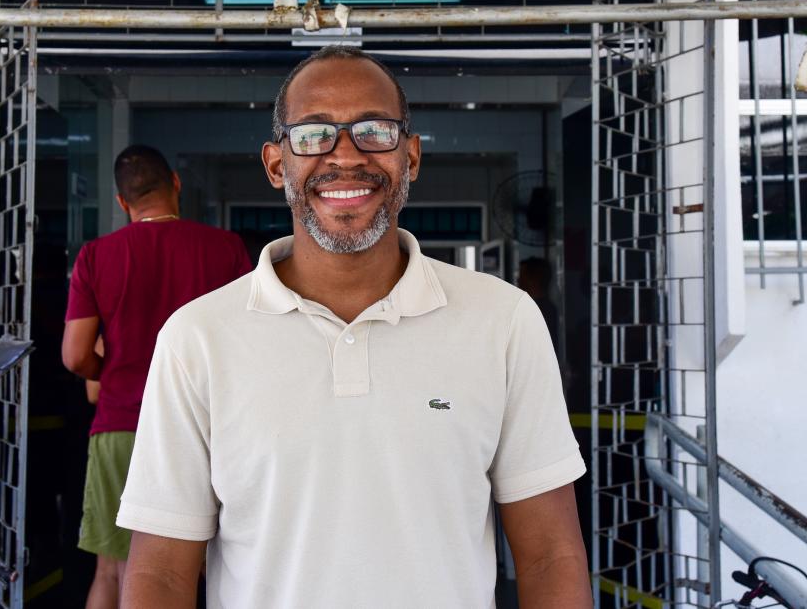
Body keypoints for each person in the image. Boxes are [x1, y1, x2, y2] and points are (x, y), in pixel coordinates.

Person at [118, 46, 592, 608]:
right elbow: (161, 575)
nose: (345, 155)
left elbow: (550, 557)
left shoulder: (504, 320)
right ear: (277, 165)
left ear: (410, 157)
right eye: (313, 134)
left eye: (374, 130)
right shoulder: (196, 338)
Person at [61, 145, 252, 609]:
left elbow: (74, 356)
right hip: (208, 429)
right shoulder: (225, 248)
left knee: (113, 570)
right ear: (176, 185)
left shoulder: (96, 256)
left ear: (121, 200)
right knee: (205, 567)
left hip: (122, 423)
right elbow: (249, 342)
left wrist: (111, 372)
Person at [517, 256, 560, 351]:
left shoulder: (537, 310)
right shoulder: (547, 308)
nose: (518, 280)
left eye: (522, 276)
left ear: (533, 279)